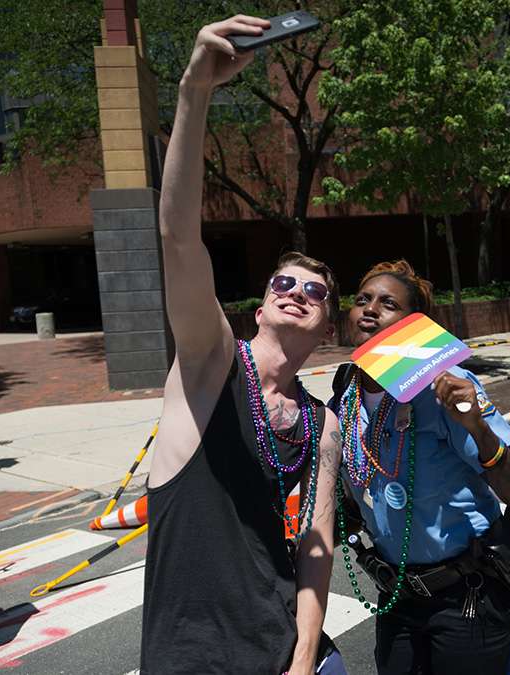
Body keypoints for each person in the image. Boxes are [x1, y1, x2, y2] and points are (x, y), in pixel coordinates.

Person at [140, 15, 344, 675]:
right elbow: (177, 238)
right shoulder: (210, 360)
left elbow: (316, 543)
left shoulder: (322, 422)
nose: (297, 292)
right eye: (284, 281)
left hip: (285, 648)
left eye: (314, 292)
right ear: (261, 304)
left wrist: (306, 657)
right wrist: (193, 90)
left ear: (326, 326)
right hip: (190, 656)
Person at [330, 261, 510, 674]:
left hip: (471, 598)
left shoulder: (444, 387)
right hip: (399, 598)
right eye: (362, 300)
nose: (370, 309)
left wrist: (477, 429)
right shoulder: (344, 396)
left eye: (388, 303)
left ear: (413, 327)